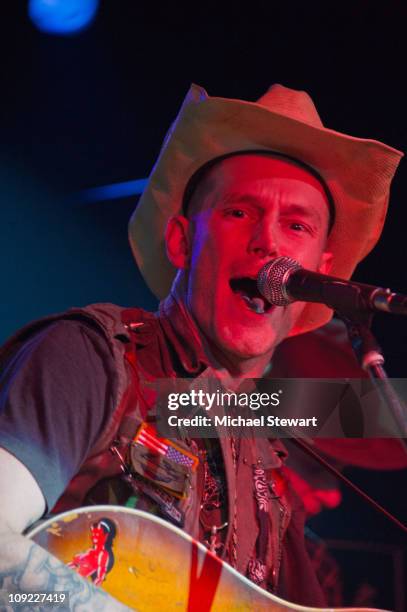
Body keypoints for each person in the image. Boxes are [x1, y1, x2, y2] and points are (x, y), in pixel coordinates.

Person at [0, 83, 403, 610]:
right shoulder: (91, 358)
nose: (271, 243)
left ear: (320, 274)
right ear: (182, 242)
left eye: (297, 225)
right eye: (240, 212)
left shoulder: (268, 467)